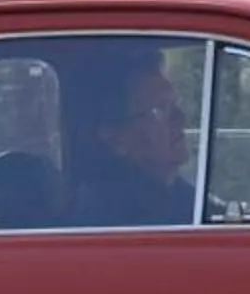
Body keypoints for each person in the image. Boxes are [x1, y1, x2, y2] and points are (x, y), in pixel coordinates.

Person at [70, 53, 196, 226]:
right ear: (115, 138)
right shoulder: (115, 214)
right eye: (159, 111)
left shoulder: (176, 193)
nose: (180, 118)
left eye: (175, 105)